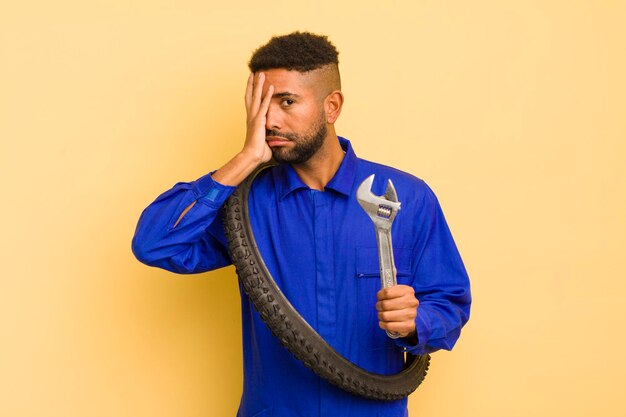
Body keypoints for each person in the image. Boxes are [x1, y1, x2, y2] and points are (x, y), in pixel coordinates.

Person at [132, 31, 471, 417]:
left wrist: (415, 323)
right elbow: (155, 243)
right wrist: (244, 159)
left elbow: (450, 305)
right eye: (261, 107)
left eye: (286, 102)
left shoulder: (407, 198)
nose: (270, 120)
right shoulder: (244, 206)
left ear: (332, 106)